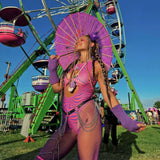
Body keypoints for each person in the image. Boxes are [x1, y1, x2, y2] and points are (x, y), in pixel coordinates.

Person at [35, 35, 146, 160]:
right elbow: (56, 88)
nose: (78, 41)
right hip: (66, 124)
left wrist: (126, 121)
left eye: (82, 39)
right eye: (77, 40)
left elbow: (107, 94)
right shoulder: (70, 68)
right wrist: (52, 70)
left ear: (92, 44)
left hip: (88, 121)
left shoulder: (97, 65)